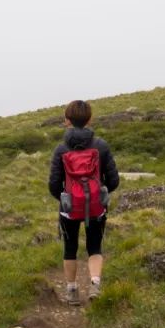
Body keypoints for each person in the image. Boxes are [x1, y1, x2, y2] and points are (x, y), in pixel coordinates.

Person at [48, 99, 119, 305]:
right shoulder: (101, 146)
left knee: (69, 248)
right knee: (94, 247)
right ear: (90, 119)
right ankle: (95, 284)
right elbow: (113, 180)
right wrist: (100, 194)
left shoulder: (61, 149)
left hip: (68, 209)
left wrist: (65, 199)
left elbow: (54, 185)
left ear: (67, 121)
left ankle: (71, 291)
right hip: (96, 207)